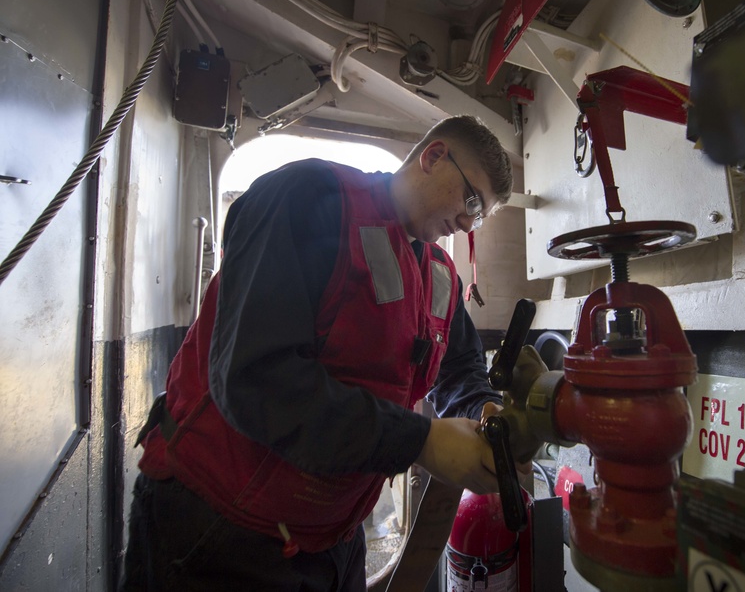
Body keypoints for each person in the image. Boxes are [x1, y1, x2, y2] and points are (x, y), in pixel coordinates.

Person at [122, 115, 514, 591]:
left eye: (483, 215)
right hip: (219, 529)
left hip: (333, 540)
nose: (470, 222)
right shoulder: (309, 199)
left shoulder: (439, 274)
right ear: (433, 157)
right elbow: (254, 379)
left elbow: (461, 367)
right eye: (472, 199)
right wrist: (421, 441)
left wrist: (483, 407)